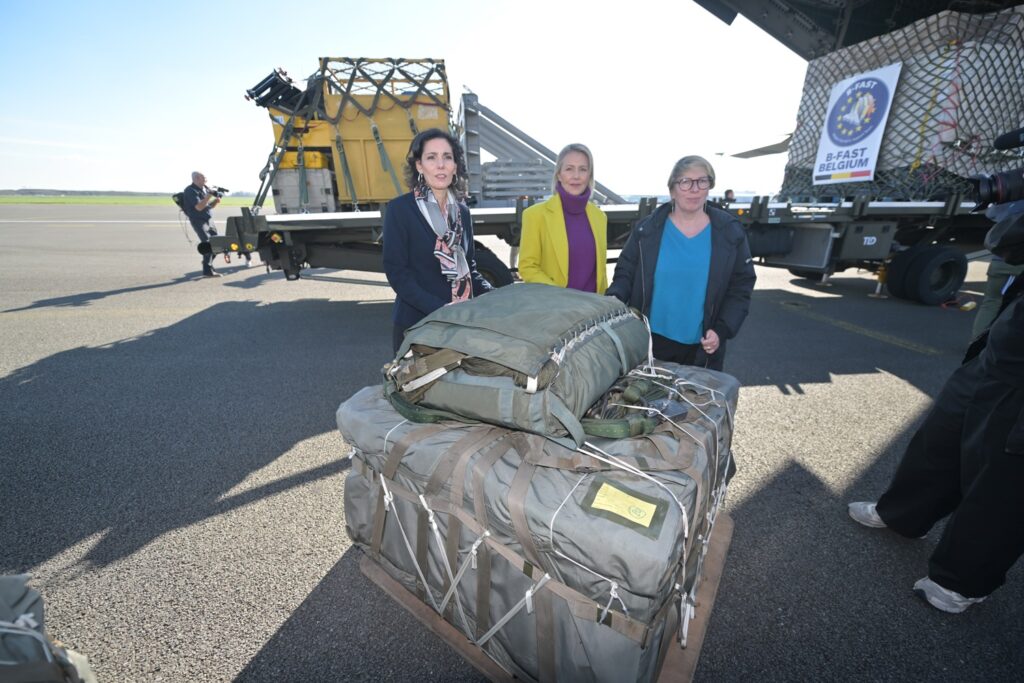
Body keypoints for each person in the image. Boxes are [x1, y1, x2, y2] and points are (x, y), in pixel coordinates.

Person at [847, 208, 1024, 614]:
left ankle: (962, 581)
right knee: (942, 434)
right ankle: (904, 514)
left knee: (1005, 474)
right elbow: (1006, 239)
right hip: (1005, 348)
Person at [605, 155, 756, 370]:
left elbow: (741, 285)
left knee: (694, 403)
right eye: (685, 182)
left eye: (702, 181)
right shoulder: (646, 231)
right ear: (672, 189)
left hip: (702, 349)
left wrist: (722, 329)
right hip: (651, 343)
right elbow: (625, 273)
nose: (694, 189)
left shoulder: (729, 233)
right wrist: (614, 298)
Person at [382, 128, 493, 354]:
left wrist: (496, 294)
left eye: (447, 157)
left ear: (455, 166)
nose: (440, 165)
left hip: (462, 324)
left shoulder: (462, 212)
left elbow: (470, 268)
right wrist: (440, 309)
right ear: (419, 166)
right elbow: (398, 274)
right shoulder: (400, 209)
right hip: (418, 325)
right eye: (431, 157)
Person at [518, 143, 608, 293]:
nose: (576, 176)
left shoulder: (600, 217)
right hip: (556, 309)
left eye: (583, 169)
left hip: (593, 310)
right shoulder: (535, 216)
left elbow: (601, 274)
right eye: (569, 169)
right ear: (559, 174)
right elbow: (528, 267)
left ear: (589, 175)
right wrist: (563, 298)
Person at [971, 200, 1024, 338]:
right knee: (1007, 308)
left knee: (990, 302)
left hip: (998, 261)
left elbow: (991, 213)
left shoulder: (1011, 201)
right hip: (1014, 265)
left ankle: (976, 343)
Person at [183, 171, 222, 277]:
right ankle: (207, 271)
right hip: (198, 221)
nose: (206, 179)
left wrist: (215, 201)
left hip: (208, 220)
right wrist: (209, 195)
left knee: (218, 244)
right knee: (208, 243)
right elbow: (199, 207)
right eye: (203, 177)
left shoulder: (203, 189)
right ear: (196, 179)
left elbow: (207, 206)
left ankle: (206, 262)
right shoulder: (190, 191)